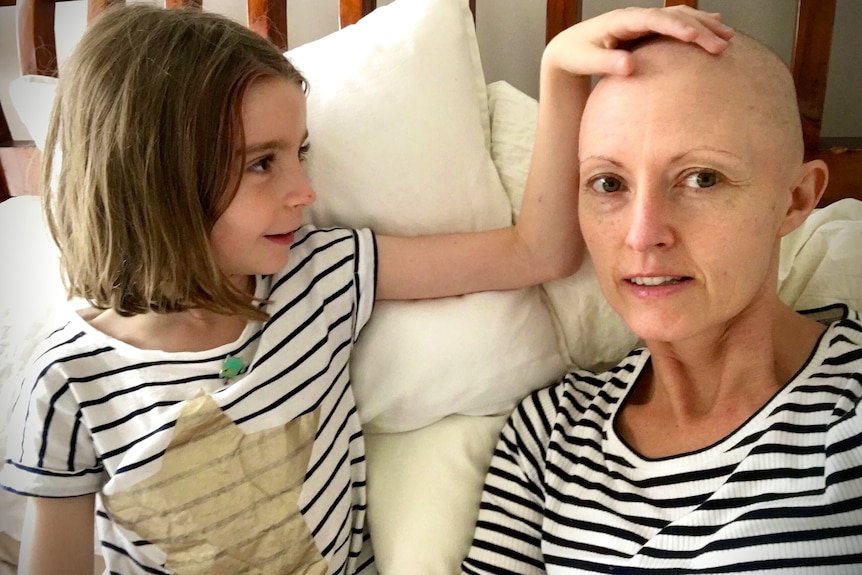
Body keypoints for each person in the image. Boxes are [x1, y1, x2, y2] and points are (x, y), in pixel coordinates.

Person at [0, 4, 733, 575]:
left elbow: (535, 250)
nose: (304, 192)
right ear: (153, 179)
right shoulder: (68, 377)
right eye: (263, 163)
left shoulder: (318, 275)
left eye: (300, 154)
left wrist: (560, 76)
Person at [461, 8, 862, 575]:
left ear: (796, 200)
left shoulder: (847, 417)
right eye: (608, 183)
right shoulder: (551, 436)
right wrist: (557, 69)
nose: (642, 234)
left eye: (702, 178)